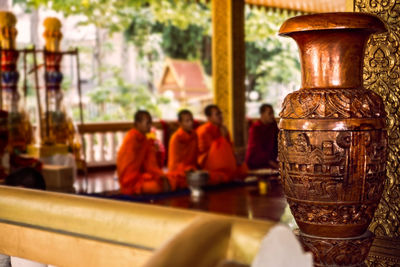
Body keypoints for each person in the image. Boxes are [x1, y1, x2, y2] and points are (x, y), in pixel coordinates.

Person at [117, 110, 170, 195]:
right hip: (130, 181)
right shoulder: (132, 139)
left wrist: (161, 176)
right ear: (137, 124)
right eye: (147, 123)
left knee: (166, 180)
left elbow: (151, 163)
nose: (150, 126)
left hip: (142, 176)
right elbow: (127, 169)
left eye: (150, 123)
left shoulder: (146, 138)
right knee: (156, 187)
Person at [196, 105, 247, 184]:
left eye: (221, 113)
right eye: (217, 114)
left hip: (225, 161)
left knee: (243, 169)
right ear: (209, 117)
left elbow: (229, 147)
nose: (220, 116)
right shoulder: (203, 131)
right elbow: (211, 151)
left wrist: (234, 155)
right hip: (208, 162)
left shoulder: (223, 129)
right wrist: (222, 139)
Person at [167, 110, 198, 189]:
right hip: (179, 172)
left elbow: (195, 157)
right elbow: (174, 163)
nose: (190, 123)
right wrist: (187, 170)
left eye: (191, 120)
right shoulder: (176, 138)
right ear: (180, 123)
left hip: (192, 169)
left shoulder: (194, 135)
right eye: (187, 121)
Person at [246, 104, 279, 170]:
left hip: (271, 162)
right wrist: (273, 164)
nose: (272, 116)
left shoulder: (273, 125)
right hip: (256, 163)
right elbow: (257, 151)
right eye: (270, 113)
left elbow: (278, 143)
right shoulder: (255, 128)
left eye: (273, 113)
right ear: (262, 114)